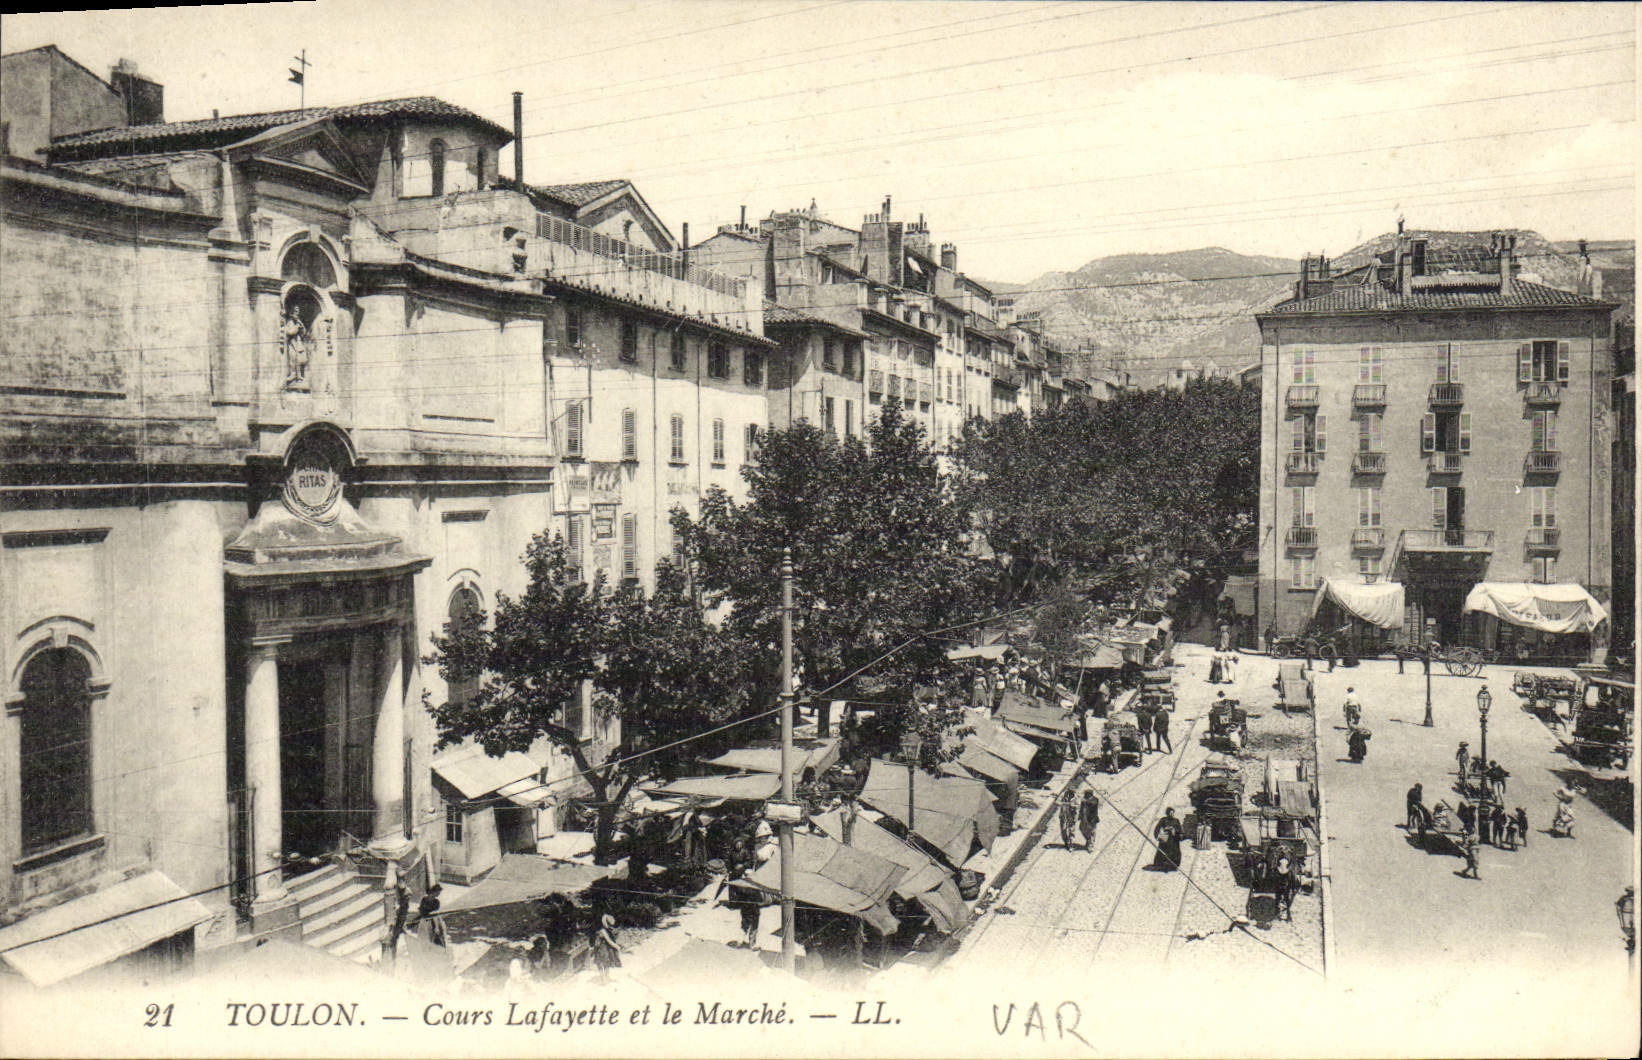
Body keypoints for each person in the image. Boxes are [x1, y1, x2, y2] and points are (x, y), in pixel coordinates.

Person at [591, 913, 622, 983]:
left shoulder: (605, 930)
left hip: (603, 949)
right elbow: (609, 941)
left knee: (604, 964)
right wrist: (617, 947)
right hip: (601, 949)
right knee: (602, 963)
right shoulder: (603, 931)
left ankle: (605, 978)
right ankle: (604, 978)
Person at [1272, 854, 1298, 921]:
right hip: (1285, 888)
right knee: (1286, 900)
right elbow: (1293, 881)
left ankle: (1278, 913)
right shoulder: (1289, 872)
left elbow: (1274, 880)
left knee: (1279, 899)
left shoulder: (1277, 871)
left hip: (1281, 888)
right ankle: (1287, 914)